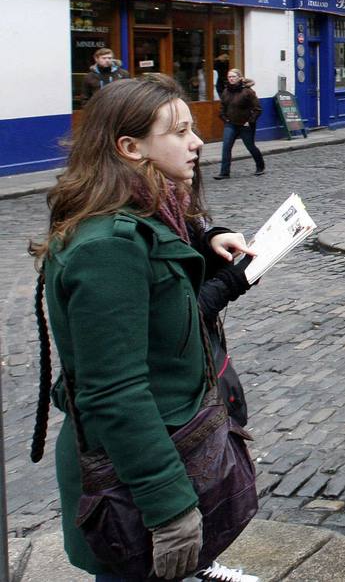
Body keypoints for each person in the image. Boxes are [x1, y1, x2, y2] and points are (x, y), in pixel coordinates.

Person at [27, 74, 256, 579]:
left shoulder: (154, 213)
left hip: (171, 439)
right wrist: (170, 509)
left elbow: (163, 282)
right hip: (132, 470)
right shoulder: (107, 246)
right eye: (178, 132)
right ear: (129, 147)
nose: (197, 142)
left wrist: (209, 238)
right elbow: (114, 392)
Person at [215, 69, 264, 179]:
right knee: (226, 147)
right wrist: (224, 118)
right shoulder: (226, 91)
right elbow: (222, 107)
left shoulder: (248, 92)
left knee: (250, 146)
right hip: (230, 123)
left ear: (240, 78)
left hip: (245, 124)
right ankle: (224, 172)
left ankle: (260, 166)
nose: (231, 79)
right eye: (229, 77)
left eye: (233, 77)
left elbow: (257, 109)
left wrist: (249, 121)